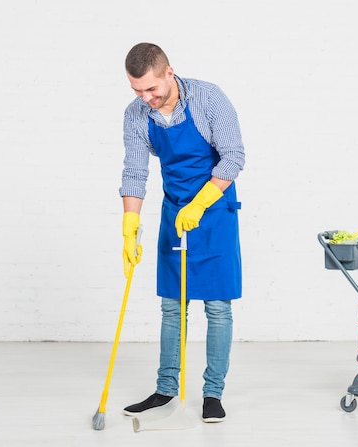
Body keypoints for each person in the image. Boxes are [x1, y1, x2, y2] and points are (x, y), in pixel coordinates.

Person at [119, 42, 245, 423]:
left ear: (169, 73)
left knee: (217, 307)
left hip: (215, 210)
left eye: (152, 89)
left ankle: (212, 394)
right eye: (137, 91)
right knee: (172, 305)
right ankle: (166, 389)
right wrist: (130, 225)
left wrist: (200, 203)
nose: (146, 98)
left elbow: (234, 157)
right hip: (175, 213)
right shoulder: (137, 115)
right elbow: (135, 171)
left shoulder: (209, 99)